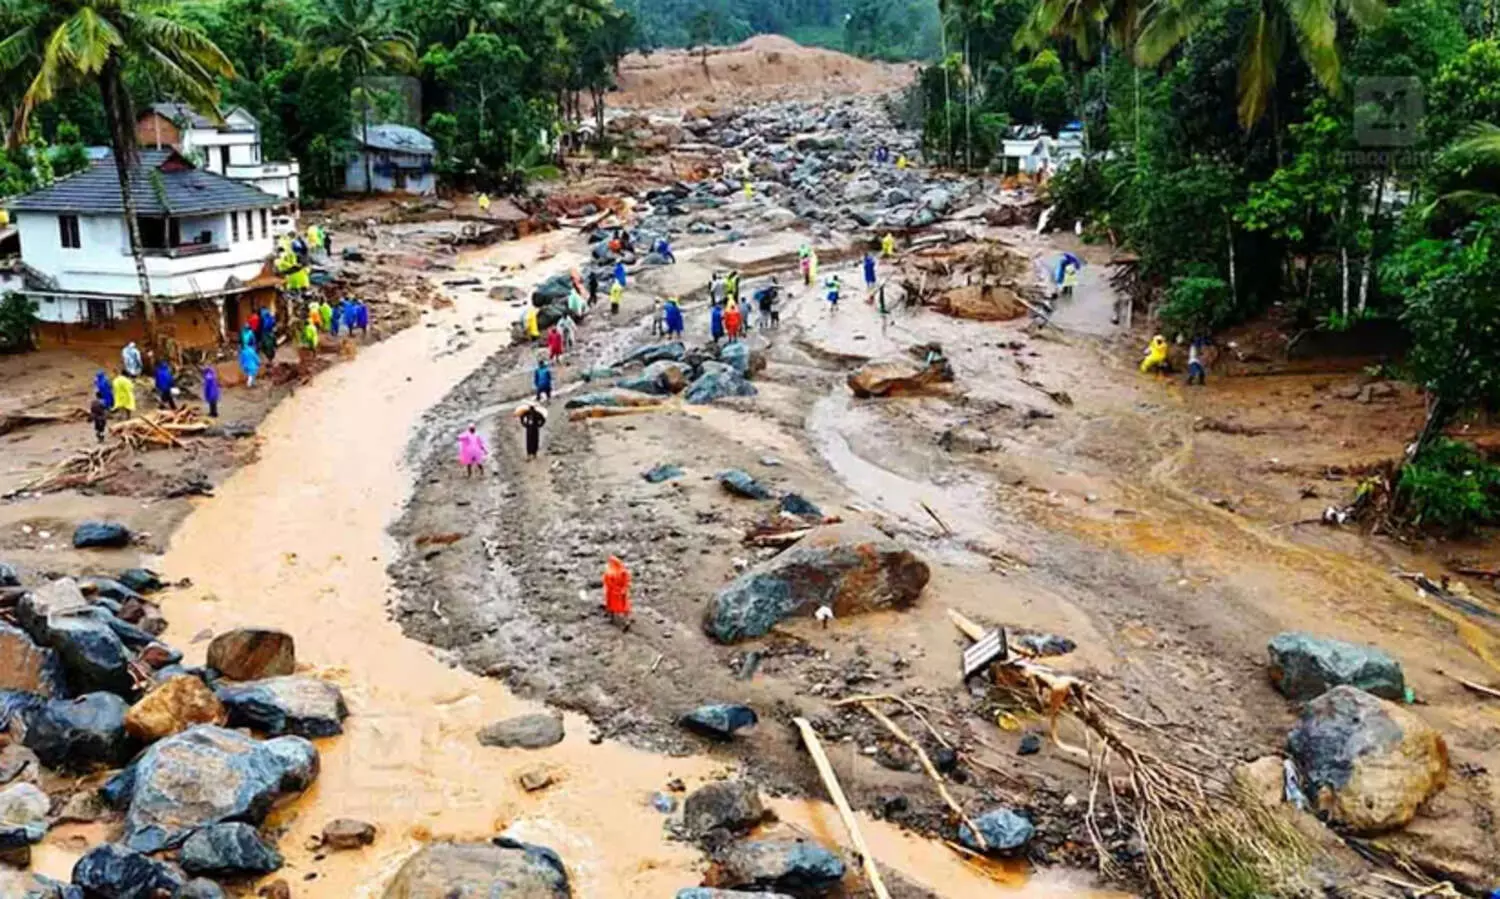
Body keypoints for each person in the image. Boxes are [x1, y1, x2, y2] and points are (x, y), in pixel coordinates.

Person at [603, 555, 632, 626]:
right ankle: (626, 620)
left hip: (612, 593)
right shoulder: (623, 572)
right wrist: (624, 589)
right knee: (624, 605)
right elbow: (627, 581)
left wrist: (614, 589)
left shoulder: (610, 573)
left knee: (611, 605)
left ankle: (612, 618)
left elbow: (608, 583)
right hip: (622, 592)